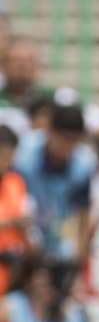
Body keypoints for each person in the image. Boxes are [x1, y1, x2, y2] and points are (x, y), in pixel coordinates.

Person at [15, 103, 97, 268]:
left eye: (75, 140)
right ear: (49, 131)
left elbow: (84, 211)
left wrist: (79, 253)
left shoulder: (84, 164)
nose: (68, 146)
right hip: (20, 234)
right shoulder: (23, 155)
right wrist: (27, 237)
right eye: (64, 138)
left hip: (56, 238)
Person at [0, 126, 32, 294]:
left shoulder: (15, 182)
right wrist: (10, 223)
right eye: (3, 155)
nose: (7, 161)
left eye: (10, 156)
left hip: (14, 273)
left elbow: (24, 217)